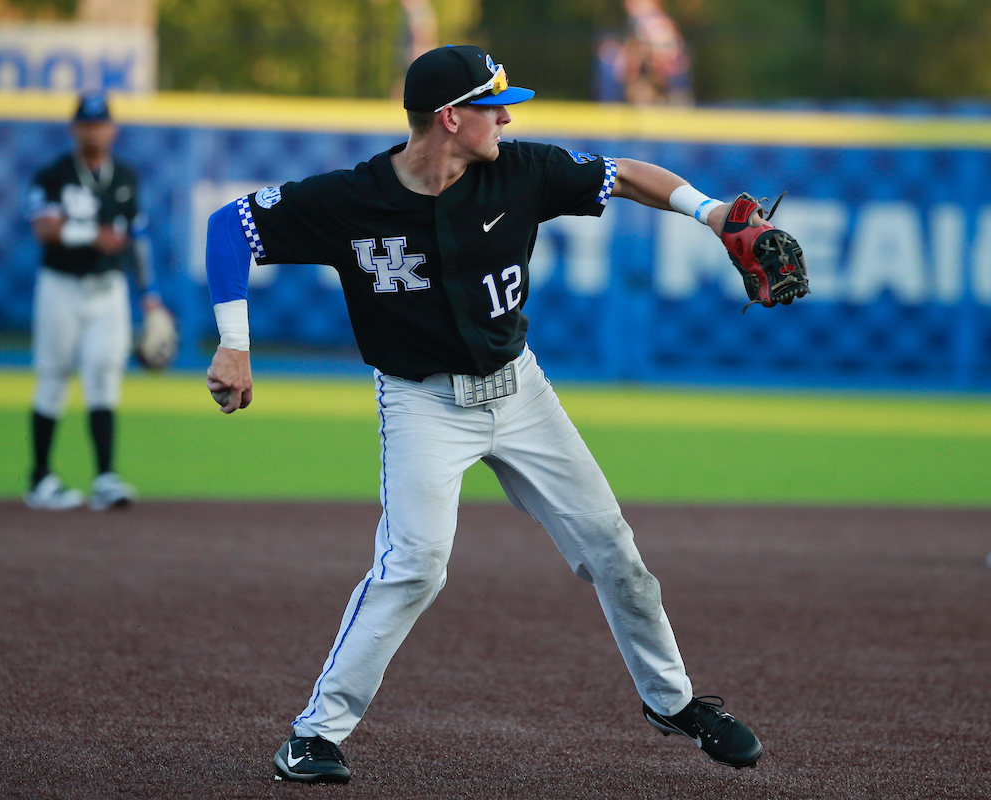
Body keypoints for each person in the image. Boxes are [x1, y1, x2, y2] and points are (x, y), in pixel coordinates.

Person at [204, 45, 763, 784]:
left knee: (614, 550)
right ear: (449, 118)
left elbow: (626, 174)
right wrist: (235, 345)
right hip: (421, 403)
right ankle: (315, 734)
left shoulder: (520, 169)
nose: (506, 116)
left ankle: (675, 702)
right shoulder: (349, 198)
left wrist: (713, 212)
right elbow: (227, 227)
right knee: (416, 567)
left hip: (519, 390)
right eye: (492, 105)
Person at [23, 92, 164, 511]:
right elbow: (43, 228)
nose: (94, 131)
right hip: (60, 285)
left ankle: (105, 476)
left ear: (113, 129)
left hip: (109, 289)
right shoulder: (54, 174)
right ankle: (40, 478)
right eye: (86, 124)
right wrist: (90, 235)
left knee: (104, 376)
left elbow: (137, 239)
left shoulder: (125, 176)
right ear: (74, 129)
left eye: (100, 123)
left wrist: (150, 296)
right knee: (53, 376)